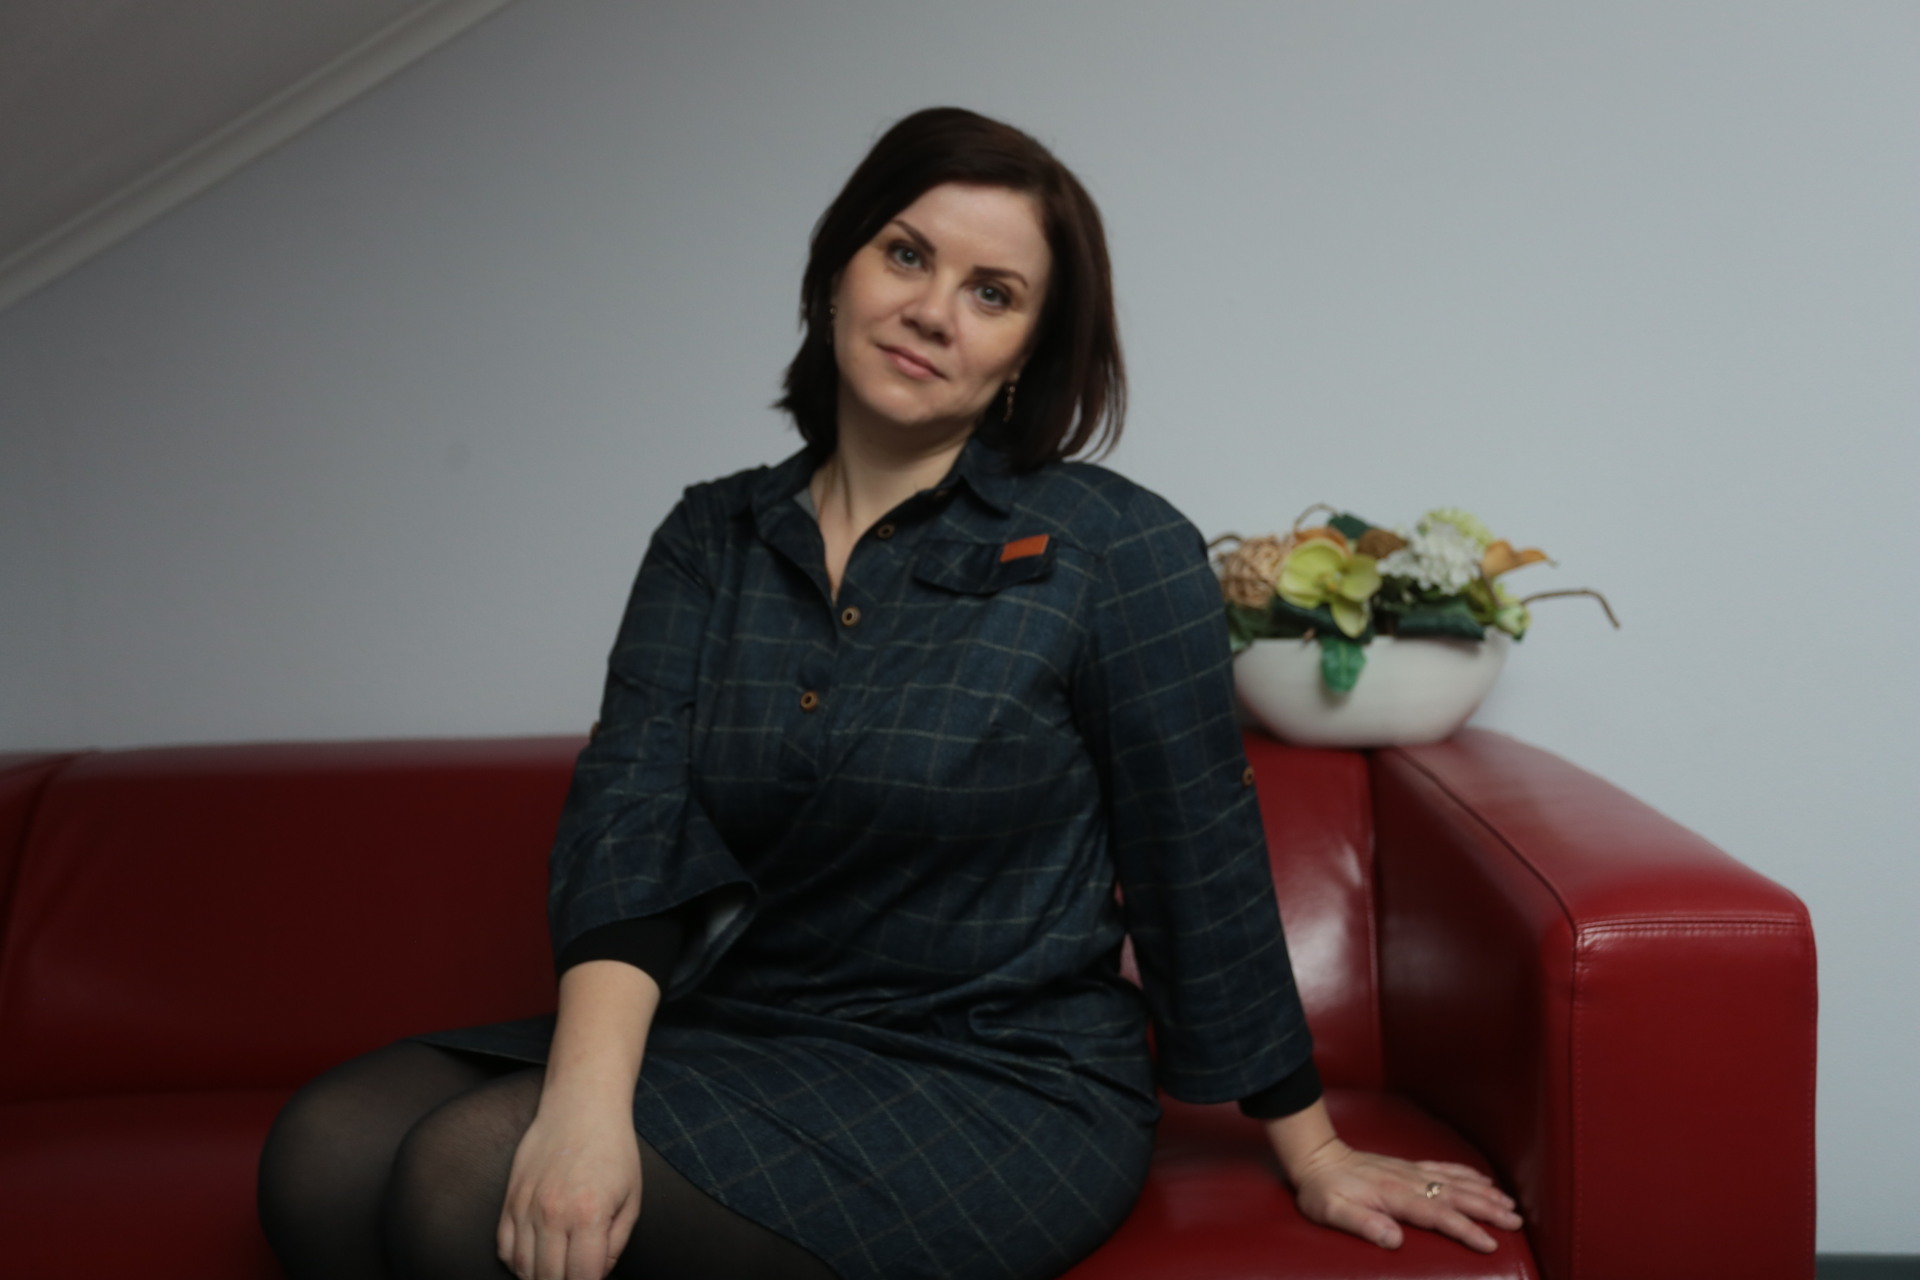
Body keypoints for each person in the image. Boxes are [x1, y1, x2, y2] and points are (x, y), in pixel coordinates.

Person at [257, 106, 1524, 1280]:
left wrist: (1312, 1143)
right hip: (735, 1026)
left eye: (992, 291)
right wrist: (587, 1106)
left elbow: (1198, 852)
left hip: (997, 1077)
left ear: (1030, 349)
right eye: (906, 254)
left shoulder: (1114, 550)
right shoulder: (710, 537)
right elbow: (628, 822)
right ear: (838, 269)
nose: (932, 310)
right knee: (324, 1148)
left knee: (457, 1175)